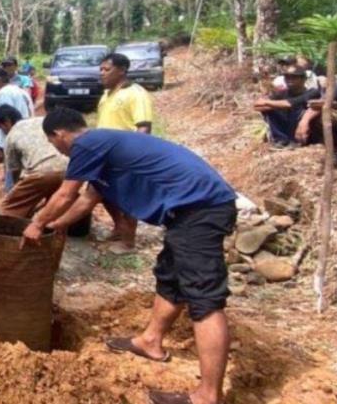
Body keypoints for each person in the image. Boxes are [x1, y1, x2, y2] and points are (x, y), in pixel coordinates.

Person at [22, 108, 236, 404]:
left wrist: (36, 223)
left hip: (201, 208)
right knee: (171, 278)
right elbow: (87, 200)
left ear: (59, 135)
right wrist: (56, 225)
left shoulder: (87, 144)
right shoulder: (103, 148)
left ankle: (207, 396)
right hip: (188, 212)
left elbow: (66, 194)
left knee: (204, 298)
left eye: (52, 144)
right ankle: (150, 341)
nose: (57, 150)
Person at [97, 52, 156, 254]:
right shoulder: (106, 94)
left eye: (106, 69)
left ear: (122, 70)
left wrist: (135, 155)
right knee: (101, 192)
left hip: (125, 154)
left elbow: (144, 126)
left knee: (127, 197)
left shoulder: (135, 93)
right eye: (100, 69)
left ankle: (128, 241)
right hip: (105, 154)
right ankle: (119, 227)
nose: (102, 73)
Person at [0, 106, 68, 218]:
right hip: (69, 169)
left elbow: (15, 172)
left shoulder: (11, 136)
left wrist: (19, 194)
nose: (2, 132)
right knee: (57, 202)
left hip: (42, 172)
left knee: (9, 208)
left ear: (7, 122)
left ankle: (9, 228)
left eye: (0, 128)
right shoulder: (42, 120)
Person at [0, 67, 34, 191]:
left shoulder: (4, 93)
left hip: (14, 141)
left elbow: (4, 120)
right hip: (27, 136)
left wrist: (0, 147)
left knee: (12, 185)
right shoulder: (20, 90)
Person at [255, 63, 321, 148]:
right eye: (287, 77)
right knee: (270, 110)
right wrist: (272, 105)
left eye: (294, 77)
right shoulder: (282, 93)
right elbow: (257, 106)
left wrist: (267, 102)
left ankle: (298, 141)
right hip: (287, 125)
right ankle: (281, 140)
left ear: (303, 79)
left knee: (297, 109)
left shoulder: (312, 92)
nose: (289, 80)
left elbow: (290, 104)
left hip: (305, 129)